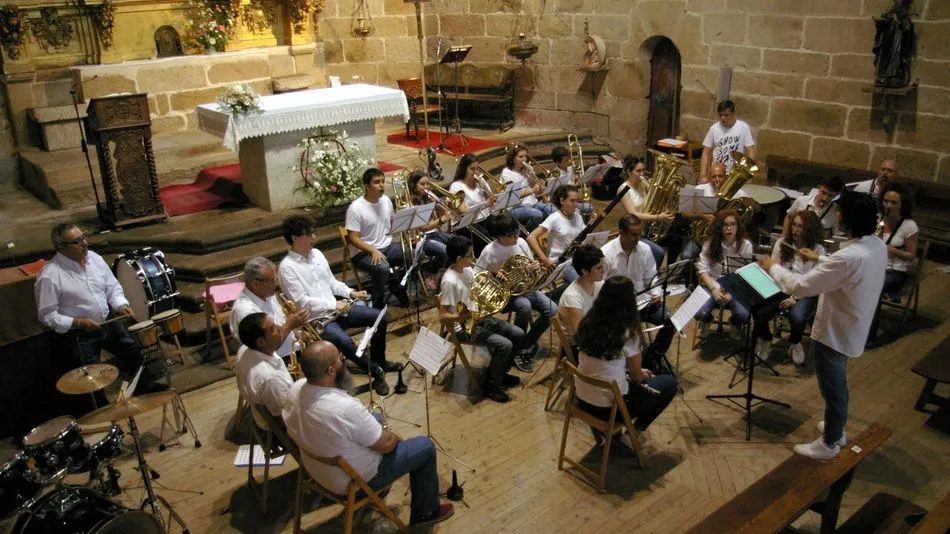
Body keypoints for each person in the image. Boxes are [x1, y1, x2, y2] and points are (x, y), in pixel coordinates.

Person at [758, 192, 886, 461]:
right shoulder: (875, 245)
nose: (836, 215)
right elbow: (848, 269)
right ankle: (835, 428)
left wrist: (772, 267)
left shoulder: (848, 256)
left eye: (839, 211)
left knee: (833, 386)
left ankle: (829, 443)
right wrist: (818, 260)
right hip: (853, 322)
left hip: (835, 330)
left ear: (848, 218)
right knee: (836, 383)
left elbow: (801, 286)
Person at [283, 341, 454, 527]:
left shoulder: (296, 388)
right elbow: (386, 444)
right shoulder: (344, 407)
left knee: (376, 416)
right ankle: (426, 513)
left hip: (317, 470)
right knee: (424, 447)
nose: (343, 361)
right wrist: (395, 437)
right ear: (331, 371)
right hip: (352, 482)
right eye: (340, 359)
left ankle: (383, 490)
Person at [35, 223, 164, 401]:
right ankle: (102, 409)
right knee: (90, 375)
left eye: (84, 238)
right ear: (61, 247)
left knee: (132, 352)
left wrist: (120, 305)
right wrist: (78, 322)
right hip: (81, 334)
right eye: (77, 242)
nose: (85, 243)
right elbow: (47, 315)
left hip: (108, 322)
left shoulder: (94, 258)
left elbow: (112, 288)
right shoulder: (50, 275)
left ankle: (145, 387)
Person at [277, 215, 394, 397]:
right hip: (317, 320)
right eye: (308, 234)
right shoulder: (287, 268)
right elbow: (302, 301)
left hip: (338, 309)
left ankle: (380, 360)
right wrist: (334, 304)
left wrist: (351, 293)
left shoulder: (317, 254)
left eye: (313, 233)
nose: (314, 238)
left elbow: (331, 282)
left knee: (379, 317)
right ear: (294, 238)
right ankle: (375, 371)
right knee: (344, 341)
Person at [573, 276, 677, 436]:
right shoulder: (627, 333)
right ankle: (636, 430)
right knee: (670, 383)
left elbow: (604, 363)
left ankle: (609, 438)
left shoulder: (587, 322)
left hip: (581, 399)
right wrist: (641, 373)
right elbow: (637, 378)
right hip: (610, 409)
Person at [439, 235, 524, 403]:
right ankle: (491, 386)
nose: (474, 257)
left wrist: (496, 280)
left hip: (480, 318)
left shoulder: (468, 270)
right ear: (458, 258)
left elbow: (479, 292)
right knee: (504, 345)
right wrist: (462, 316)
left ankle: (499, 373)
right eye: (470, 254)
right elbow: (443, 316)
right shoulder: (449, 281)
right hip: (463, 327)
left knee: (518, 334)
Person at [476, 212, 557, 373]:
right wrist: (494, 276)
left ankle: (524, 344)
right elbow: (477, 277)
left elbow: (529, 266)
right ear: (499, 236)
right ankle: (517, 349)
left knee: (553, 310)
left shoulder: (520, 242)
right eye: (512, 234)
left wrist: (535, 266)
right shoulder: (489, 252)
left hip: (525, 288)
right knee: (525, 306)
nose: (516, 237)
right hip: (504, 295)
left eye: (516, 231)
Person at [601, 215, 676, 373]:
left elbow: (651, 277)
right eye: (633, 235)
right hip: (618, 310)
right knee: (626, 333)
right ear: (621, 233)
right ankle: (630, 367)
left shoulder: (644, 249)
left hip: (643, 302)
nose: (638, 239)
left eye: (640, 234)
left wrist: (656, 293)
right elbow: (600, 288)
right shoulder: (606, 254)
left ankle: (652, 357)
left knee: (671, 321)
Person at [753, 211, 825, 365]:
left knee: (798, 317)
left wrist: (796, 297)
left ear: (810, 230)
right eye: (794, 225)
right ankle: (765, 338)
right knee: (758, 309)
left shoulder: (818, 250)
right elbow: (775, 271)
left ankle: (794, 341)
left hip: (804, 292)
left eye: (800, 227)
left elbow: (815, 281)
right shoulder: (782, 243)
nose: (795, 230)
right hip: (781, 288)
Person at [346, 167, 409, 309]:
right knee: (382, 268)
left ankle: (398, 285)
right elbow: (353, 238)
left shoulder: (386, 200)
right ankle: (378, 301)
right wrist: (373, 250)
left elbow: (392, 223)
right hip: (363, 252)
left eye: (382, 181)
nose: (381, 185)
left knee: (414, 254)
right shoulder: (355, 208)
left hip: (387, 245)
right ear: (367, 186)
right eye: (376, 182)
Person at [230, 257, 309, 360]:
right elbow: (267, 346)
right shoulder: (246, 312)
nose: (276, 284)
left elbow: (281, 322)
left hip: (293, 349)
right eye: (272, 281)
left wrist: (300, 333)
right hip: (276, 360)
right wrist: (290, 324)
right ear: (255, 284)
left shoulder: (267, 293)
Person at [694, 209, 754, 340]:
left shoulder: (745, 245)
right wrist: (714, 290)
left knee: (744, 315)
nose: (729, 228)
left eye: (733, 224)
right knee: (698, 312)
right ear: (719, 227)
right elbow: (702, 270)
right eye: (725, 225)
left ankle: (734, 322)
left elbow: (744, 274)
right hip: (712, 285)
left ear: (738, 227)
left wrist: (731, 292)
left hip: (735, 288)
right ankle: (706, 320)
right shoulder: (709, 243)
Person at [680, 162, 749, 264]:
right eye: (714, 177)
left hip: (725, 240)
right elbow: (684, 213)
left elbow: (752, 207)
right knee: (686, 256)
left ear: (726, 176)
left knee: (725, 261)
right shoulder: (700, 189)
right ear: (708, 177)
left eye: (720, 176)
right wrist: (702, 216)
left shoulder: (737, 192)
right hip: (701, 238)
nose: (717, 180)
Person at [527, 185, 585, 296]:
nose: (576, 204)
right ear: (562, 201)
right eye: (572, 201)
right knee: (583, 284)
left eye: (577, 200)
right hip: (561, 264)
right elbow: (531, 237)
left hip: (578, 258)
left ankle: (557, 295)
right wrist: (545, 260)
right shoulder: (554, 218)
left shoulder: (578, 216)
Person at [617, 155, 673, 268]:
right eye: (638, 171)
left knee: (676, 239)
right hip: (634, 230)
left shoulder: (642, 183)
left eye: (643, 170)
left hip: (648, 227)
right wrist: (658, 217)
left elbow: (656, 197)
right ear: (629, 172)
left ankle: (669, 272)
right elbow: (633, 214)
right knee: (659, 252)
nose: (642, 174)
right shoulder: (623, 189)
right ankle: (650, 276)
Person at [235, 313, 294, 418]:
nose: (280, 328)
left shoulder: (244, 349)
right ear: (261, 341)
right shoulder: (270, 378)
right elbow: (284, 417)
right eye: (273, 329)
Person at [406, 168, 456, 288]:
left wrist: (439, 204)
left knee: (457, 243)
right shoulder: (410, 204)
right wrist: (441, 220)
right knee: (444, 251)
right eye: (422, 184)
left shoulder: (427, 197)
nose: (426, 187)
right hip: (421, 238)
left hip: (434, 232)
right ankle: (430, 272)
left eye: (427, 183)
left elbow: (443, 213)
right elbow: (422, 228)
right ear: (414, 186)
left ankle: (448, 273)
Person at [878, 182, 919, 300]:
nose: (888, 206)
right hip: (875, 265)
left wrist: (891, 250)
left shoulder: (909, 225)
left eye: (893, 202)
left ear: (902, 205)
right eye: (886, 201)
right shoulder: (878, 219)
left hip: (895, 271)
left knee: (874, 286)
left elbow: (911, 256)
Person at [700, 99, 756, 183]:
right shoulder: (714, 129)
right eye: (720, 115)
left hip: (735, 173)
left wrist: (748, 172)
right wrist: (703, 175)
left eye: (726, 115)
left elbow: (750, 151)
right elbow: (705, 153)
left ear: (733, 113)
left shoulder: (743, 128)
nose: (723, 118)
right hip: (718, 172)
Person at [500, 144, 554, 230]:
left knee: (552, 210)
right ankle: (527, 236)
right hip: (515, 207)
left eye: (525, 156)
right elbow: (513, 196)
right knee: (537, 214)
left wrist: (534, 176)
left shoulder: (526, 170)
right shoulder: (507, 173)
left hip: (532, 203)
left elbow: (539, 191)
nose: (524, 159)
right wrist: (532, 190)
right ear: (512, 158)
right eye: (520, 157)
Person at [448, 153, 493, 254]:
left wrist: (485, 187)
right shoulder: (456, 186)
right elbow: (463, 211)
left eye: (477, 169)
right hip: (465, 223)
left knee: (503, 225)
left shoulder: (480, 183)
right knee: (486, 237)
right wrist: (485, 204)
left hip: (483, 218)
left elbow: (493, 200)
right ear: (464, 169)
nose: (475, 172)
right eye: (472, 169)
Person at [557, 244, 605, 336]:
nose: (603, 270)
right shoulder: (572, 297)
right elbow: (580, 335)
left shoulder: (600, 284)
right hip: (582, 343)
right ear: (584, 271)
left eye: (603, 265)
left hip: (598, 333)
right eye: (598, 268)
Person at [551, 145, 593, 221]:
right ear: (557, 162)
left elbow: (572, 180)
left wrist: (578, 179)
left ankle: (584, 227)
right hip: (562, 203)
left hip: (572, 199)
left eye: (569, 158)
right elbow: (556, 197)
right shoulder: (554, 176)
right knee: (577, 213)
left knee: (589, 207)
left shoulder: (570, 168)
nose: (570, 161)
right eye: (566, 160)